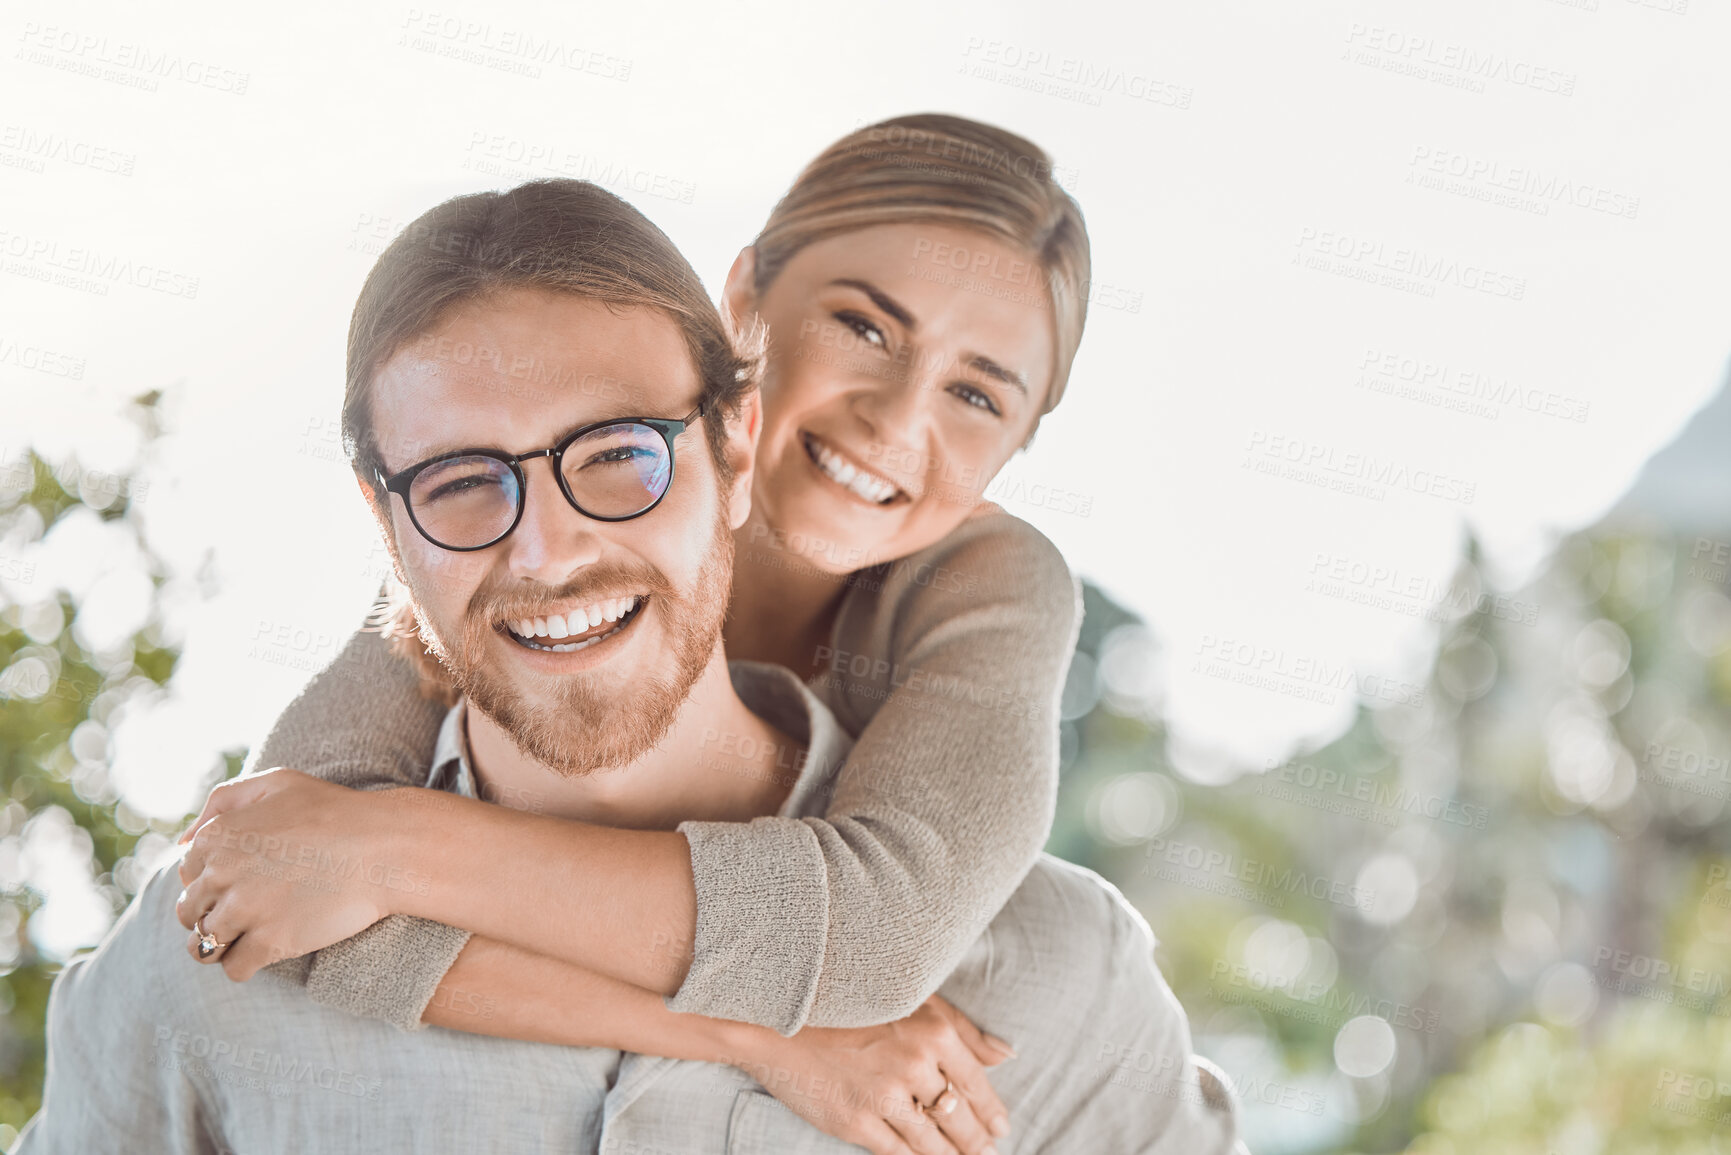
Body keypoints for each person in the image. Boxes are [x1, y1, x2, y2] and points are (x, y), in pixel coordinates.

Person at [23, 178, 1241, 1154]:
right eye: (460, 484)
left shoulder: (1049, 986)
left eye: (617, 456)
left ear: (737, 442)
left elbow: (867, 932)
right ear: (385, 522)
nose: (547, 552)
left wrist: (385, 851)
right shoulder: (207, 966)